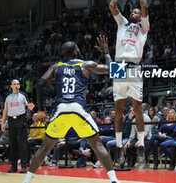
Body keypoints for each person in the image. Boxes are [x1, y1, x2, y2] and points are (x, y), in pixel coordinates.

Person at [22, 37, 121, 183]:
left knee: (44, 148)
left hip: (61, 109)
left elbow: (40, 84)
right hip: (78, 108)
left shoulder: (56, 67)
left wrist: (41, 109)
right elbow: (113, 71)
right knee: (97, 145)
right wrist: (106, 51)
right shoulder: (86, 64)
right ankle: (114, 180)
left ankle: (27, 180)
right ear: (76, 51)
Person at [109, 0, 150, 165]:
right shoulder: (122, 23)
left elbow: (143, 5)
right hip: (118, 66)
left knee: (137, 108)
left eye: (136, 13)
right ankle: (118, 147)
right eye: (132, 12)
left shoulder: (143, 27)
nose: (134, 13)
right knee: (118, 108)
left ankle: (140, 144)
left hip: (134, 66)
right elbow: (112, 5)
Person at [1, 79, 34, 173]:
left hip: (21, 119)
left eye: (18, 84)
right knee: (12, 144)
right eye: (14, 84)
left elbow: (29, 106)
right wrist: (3, 123)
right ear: (11, 86)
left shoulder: (23, 95)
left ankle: (24, 166)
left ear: (19, 86)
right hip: (11, 120)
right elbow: (5, 111)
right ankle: (13, 166)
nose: (16, 85)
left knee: (23, 144)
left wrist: (30, 107)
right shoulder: (8, 98)